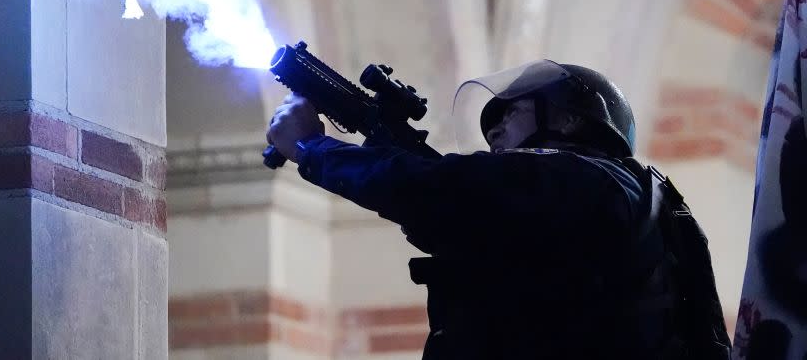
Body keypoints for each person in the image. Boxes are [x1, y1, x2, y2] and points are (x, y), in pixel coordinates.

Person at [266, 60, 730, 359]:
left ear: (569, 117)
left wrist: (313, 148)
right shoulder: (626, 196)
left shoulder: (580, 180)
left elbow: (439, 191)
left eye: (511, 114)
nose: (495, 132)